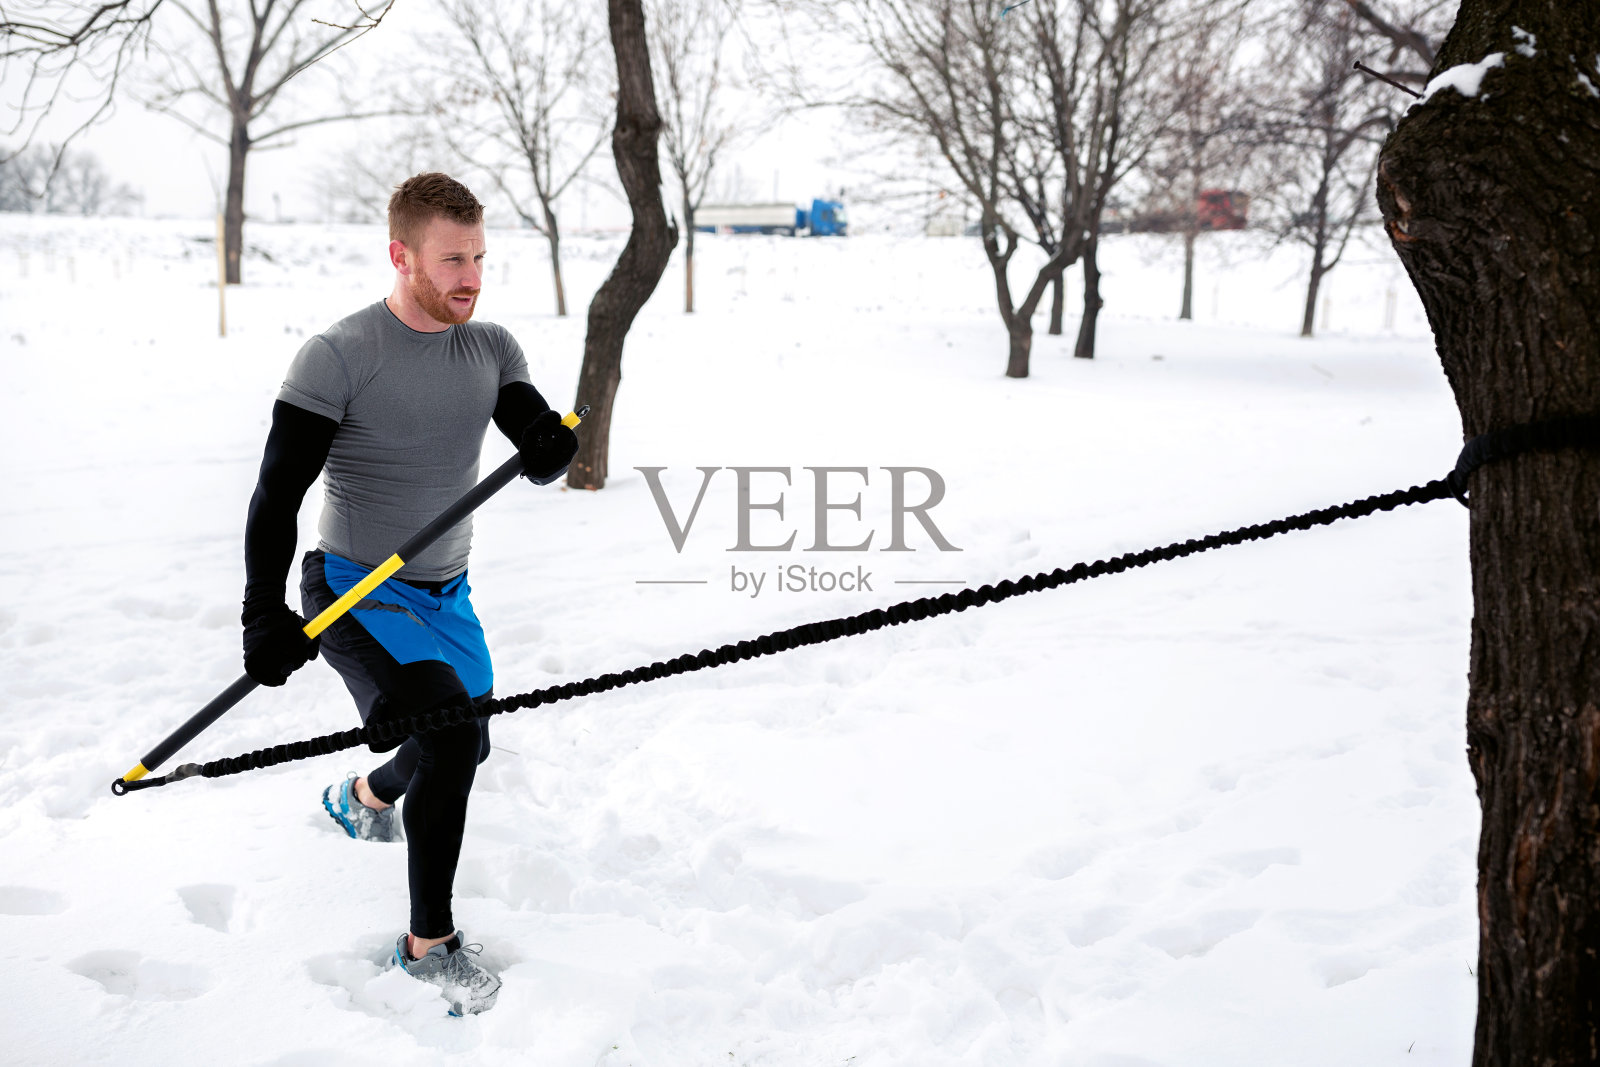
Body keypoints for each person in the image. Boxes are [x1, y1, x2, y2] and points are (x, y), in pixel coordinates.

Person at [239, 172, 577, 1016]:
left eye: (480, 258)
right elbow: (276, 496)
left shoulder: (490, 346)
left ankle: (364, 799)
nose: (470, 276)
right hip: (356, 588)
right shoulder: (340, 355)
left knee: (463, 745)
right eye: (452, 258)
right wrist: (262, 610)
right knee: (452, 737)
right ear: (401, 255)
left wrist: (548, 448)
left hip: (445, 591)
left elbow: (529, 425)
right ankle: (429, 947)